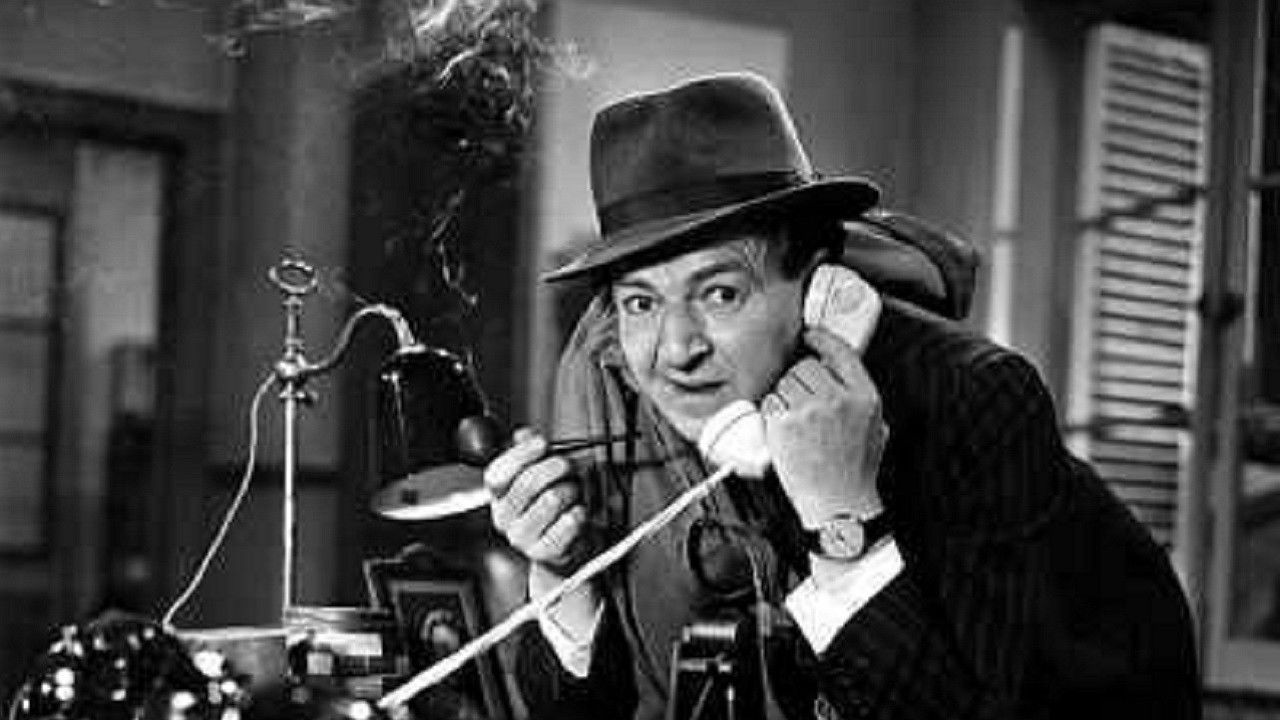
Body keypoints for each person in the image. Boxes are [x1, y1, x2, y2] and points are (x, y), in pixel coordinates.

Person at [483, 73, 1200, 720]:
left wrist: (843, 521)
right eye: (640, 303)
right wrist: (565, 576)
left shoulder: (977, 400)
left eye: (721, 293)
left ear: (819, 287)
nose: (675, 350)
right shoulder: (624, 398)